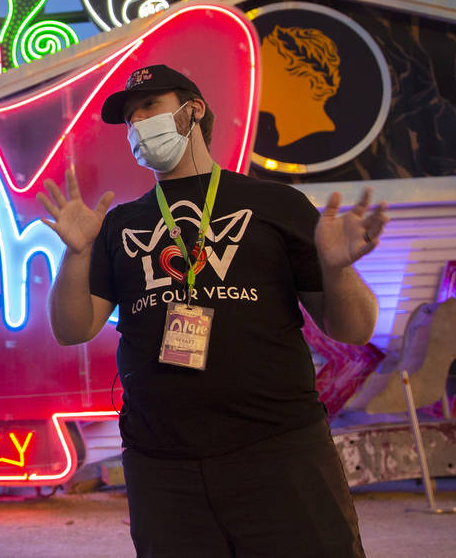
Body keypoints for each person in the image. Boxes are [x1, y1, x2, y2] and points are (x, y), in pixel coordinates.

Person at [37, 63, 387, 557]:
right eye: (130, 119)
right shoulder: (118, 224)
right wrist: (75, 255)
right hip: (162, 466)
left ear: (192, 111)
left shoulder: (277, 205)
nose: (138, 126)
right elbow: (71, 329)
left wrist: (337, 267)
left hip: (280, 453)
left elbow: (354, 328)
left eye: (149, 109)